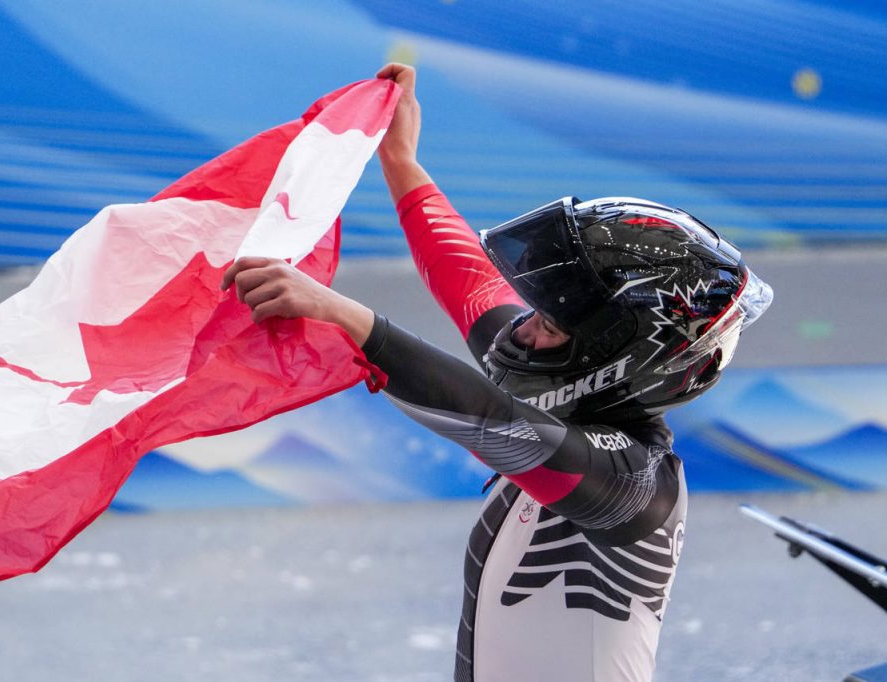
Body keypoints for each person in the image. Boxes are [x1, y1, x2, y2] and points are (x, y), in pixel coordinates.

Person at [221, 64, 773, 682]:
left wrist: (343, 314)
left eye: (550, 324)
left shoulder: (638, 484)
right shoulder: (562, 386)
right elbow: (469, 282)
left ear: (620, 361)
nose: (523, 330)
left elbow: (493, 420)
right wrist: (402, 165)